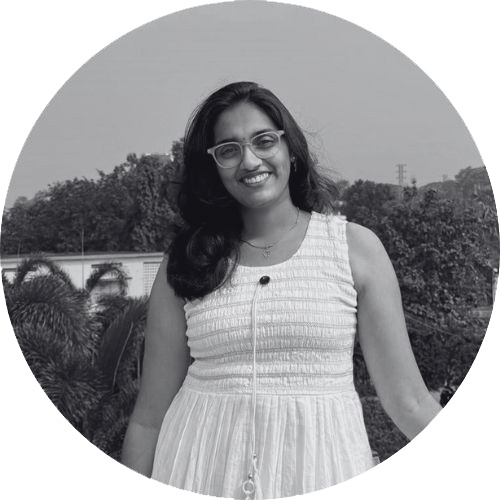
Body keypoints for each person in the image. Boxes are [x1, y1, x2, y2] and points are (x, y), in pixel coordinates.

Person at [121, 81, 441, 499]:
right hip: (196, 470)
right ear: (213, 166)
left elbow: (409, 401)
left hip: (322, 470)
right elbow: (149, 419)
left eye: (264, 140)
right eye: (229, 150)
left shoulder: (354, 249)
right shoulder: (186, 260)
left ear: (290, 148)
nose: (249, 160)